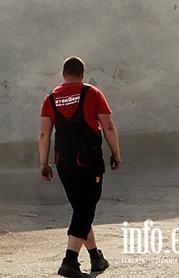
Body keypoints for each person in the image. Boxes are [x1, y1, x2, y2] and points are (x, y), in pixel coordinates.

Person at [39, 56, 121, 278]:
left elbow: (44, 134)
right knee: (85, 210)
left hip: (63, 162)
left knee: (81, 211)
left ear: (64, 74)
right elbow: (109, 127)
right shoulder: (92, 93)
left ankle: (96, 258)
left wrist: (43, 163)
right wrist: (115, 153)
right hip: (87, 161)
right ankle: (70, 261)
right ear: (82, 74)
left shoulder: (50, 98)